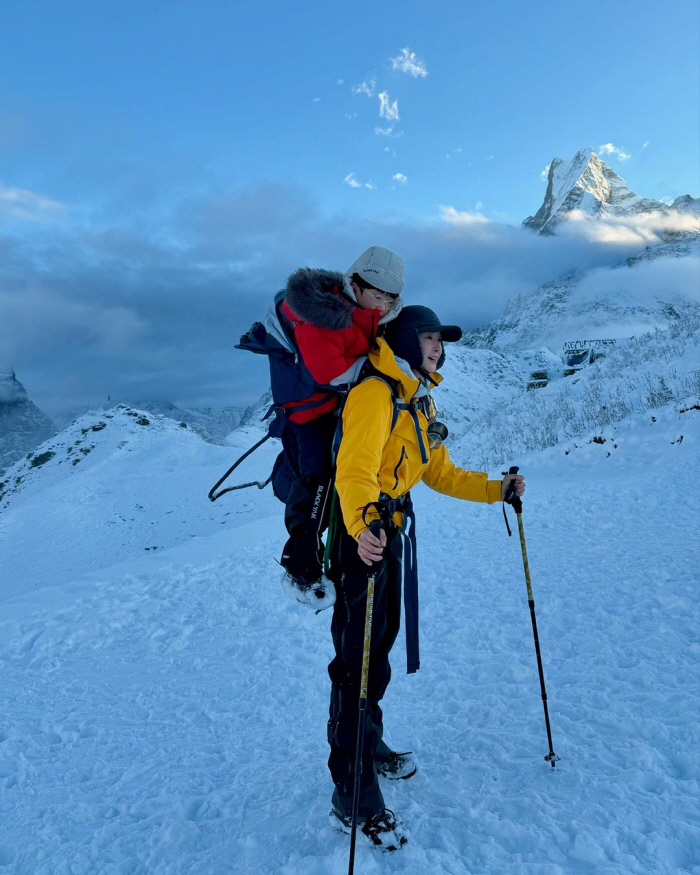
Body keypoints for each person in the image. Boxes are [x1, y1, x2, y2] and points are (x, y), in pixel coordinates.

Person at [325, 304, 525, 850]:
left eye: (441, 341)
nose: (438, 348)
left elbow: (439, 471)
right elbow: (355, 469)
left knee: (378, 649)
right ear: (406, 341)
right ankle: (353, 788)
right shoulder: (375, 393)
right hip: (362, 534)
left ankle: (370, 741)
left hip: (386, 533)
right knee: (356, 662)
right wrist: (363, 525)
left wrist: (496, 491)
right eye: (429, 338)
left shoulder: (416, 398)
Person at [274, 246, 405, 607]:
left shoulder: (365, 310)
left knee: (344, 475)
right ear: (355, 283)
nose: (382, 304)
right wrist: (374, 372)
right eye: (377, 295)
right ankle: (301, 563)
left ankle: (332, 551)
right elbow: (327, 371)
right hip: (309, 412)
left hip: (336, 406)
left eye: (389, 298)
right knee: (317, 480)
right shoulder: (320, 316)